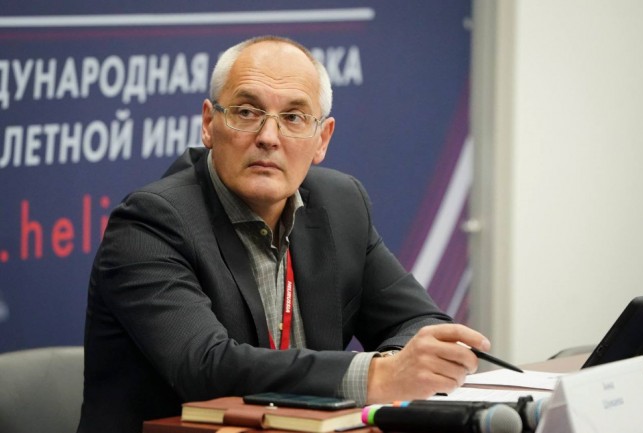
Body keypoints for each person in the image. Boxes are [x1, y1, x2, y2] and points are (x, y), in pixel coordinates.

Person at [77, 35, 490, 433]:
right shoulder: (150, 222)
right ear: (209, 123)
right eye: (246, 112)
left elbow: (419, 321)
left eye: (293, 118)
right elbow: (206, 369)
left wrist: (408, 365)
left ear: (322, 139)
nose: (268, 138)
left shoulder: (340, 204)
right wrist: (377, 377)